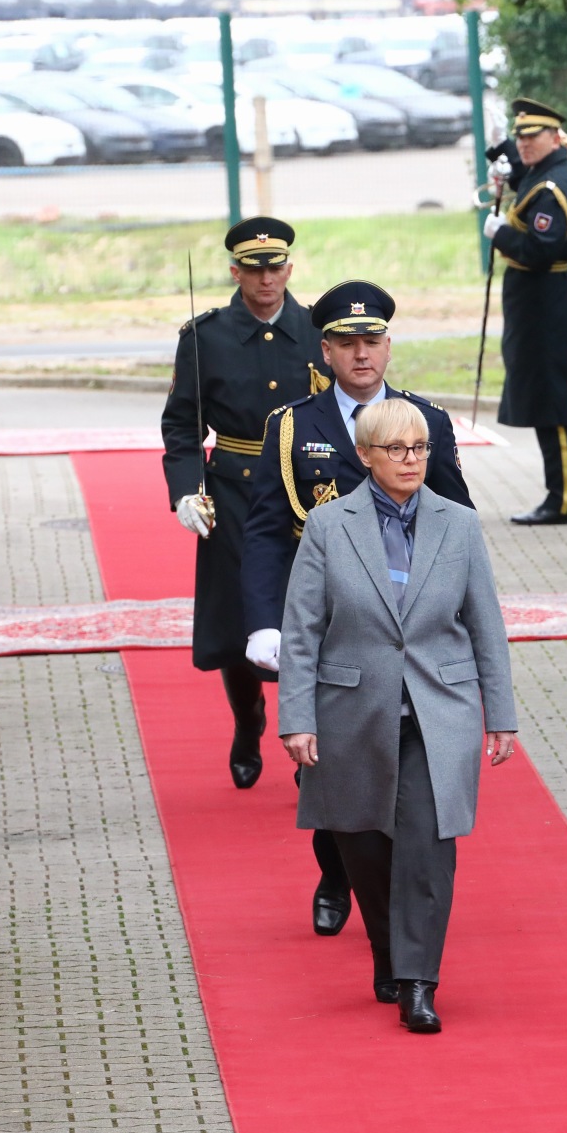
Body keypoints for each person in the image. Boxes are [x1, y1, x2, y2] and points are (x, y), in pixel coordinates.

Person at [277, 395, 517, 1033]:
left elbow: (485, 625)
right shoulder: (330, 527)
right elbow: (301, 631)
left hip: (442, 707)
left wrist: (502, 714)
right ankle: (388, 949)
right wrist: (295, 717)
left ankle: (418, 981)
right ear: (365, 456)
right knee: (360, 839)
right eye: (396, 449)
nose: (411, 460)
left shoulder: (458, 524)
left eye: (419, 449)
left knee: (427, 844)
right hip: (352, 705)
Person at [243, 279, 473, 938]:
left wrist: (458, 614)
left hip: (407, 626)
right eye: (348, 343)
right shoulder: (292, 426)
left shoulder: (425, 421)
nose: (362, 354)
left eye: (372, 340)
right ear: (326, 351)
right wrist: (264, 620)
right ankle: (338, 868)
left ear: (389, 346)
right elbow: (263, 530)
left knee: (409, 768)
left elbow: (457, 519)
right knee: (331, 766)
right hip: (329, 625)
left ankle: (398, 899)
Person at [162, 217, 328, 792]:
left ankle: (306, 740)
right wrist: (185, 489)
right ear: (235, 272)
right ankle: (247, 720)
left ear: (289, 268)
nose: (266, 278)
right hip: (233, 492)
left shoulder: (319, 330)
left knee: (310, 617)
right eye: (253, 269)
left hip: (308, 493)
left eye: (276, 267)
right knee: (238, 621)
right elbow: (183, 425)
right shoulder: (205, 337)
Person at [485, 97, 567, 525]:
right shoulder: (544, 172)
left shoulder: (553, 189)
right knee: (545, 401)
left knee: (556, 404)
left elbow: (540, 250)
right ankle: (557, 495)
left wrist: (502, 235)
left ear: (554, 138)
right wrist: (500, 149)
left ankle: (563, 500)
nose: (524, 145)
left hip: (548, 305)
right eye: (521, 136)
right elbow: (521, 167)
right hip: (537, 304)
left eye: (532, 137)